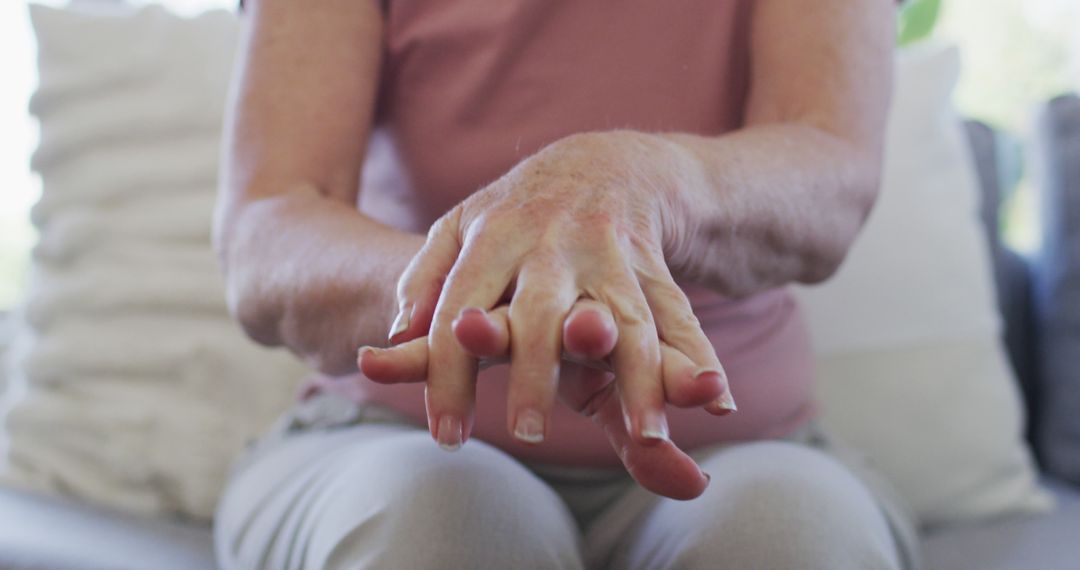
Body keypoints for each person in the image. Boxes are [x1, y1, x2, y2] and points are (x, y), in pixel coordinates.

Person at [213, 0, 921, 568]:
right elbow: (267, 235)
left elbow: (832, 178)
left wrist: (643, 182)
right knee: (438, 528)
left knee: (789, 539)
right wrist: (483, 290)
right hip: (386, 440)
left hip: (748, 448)